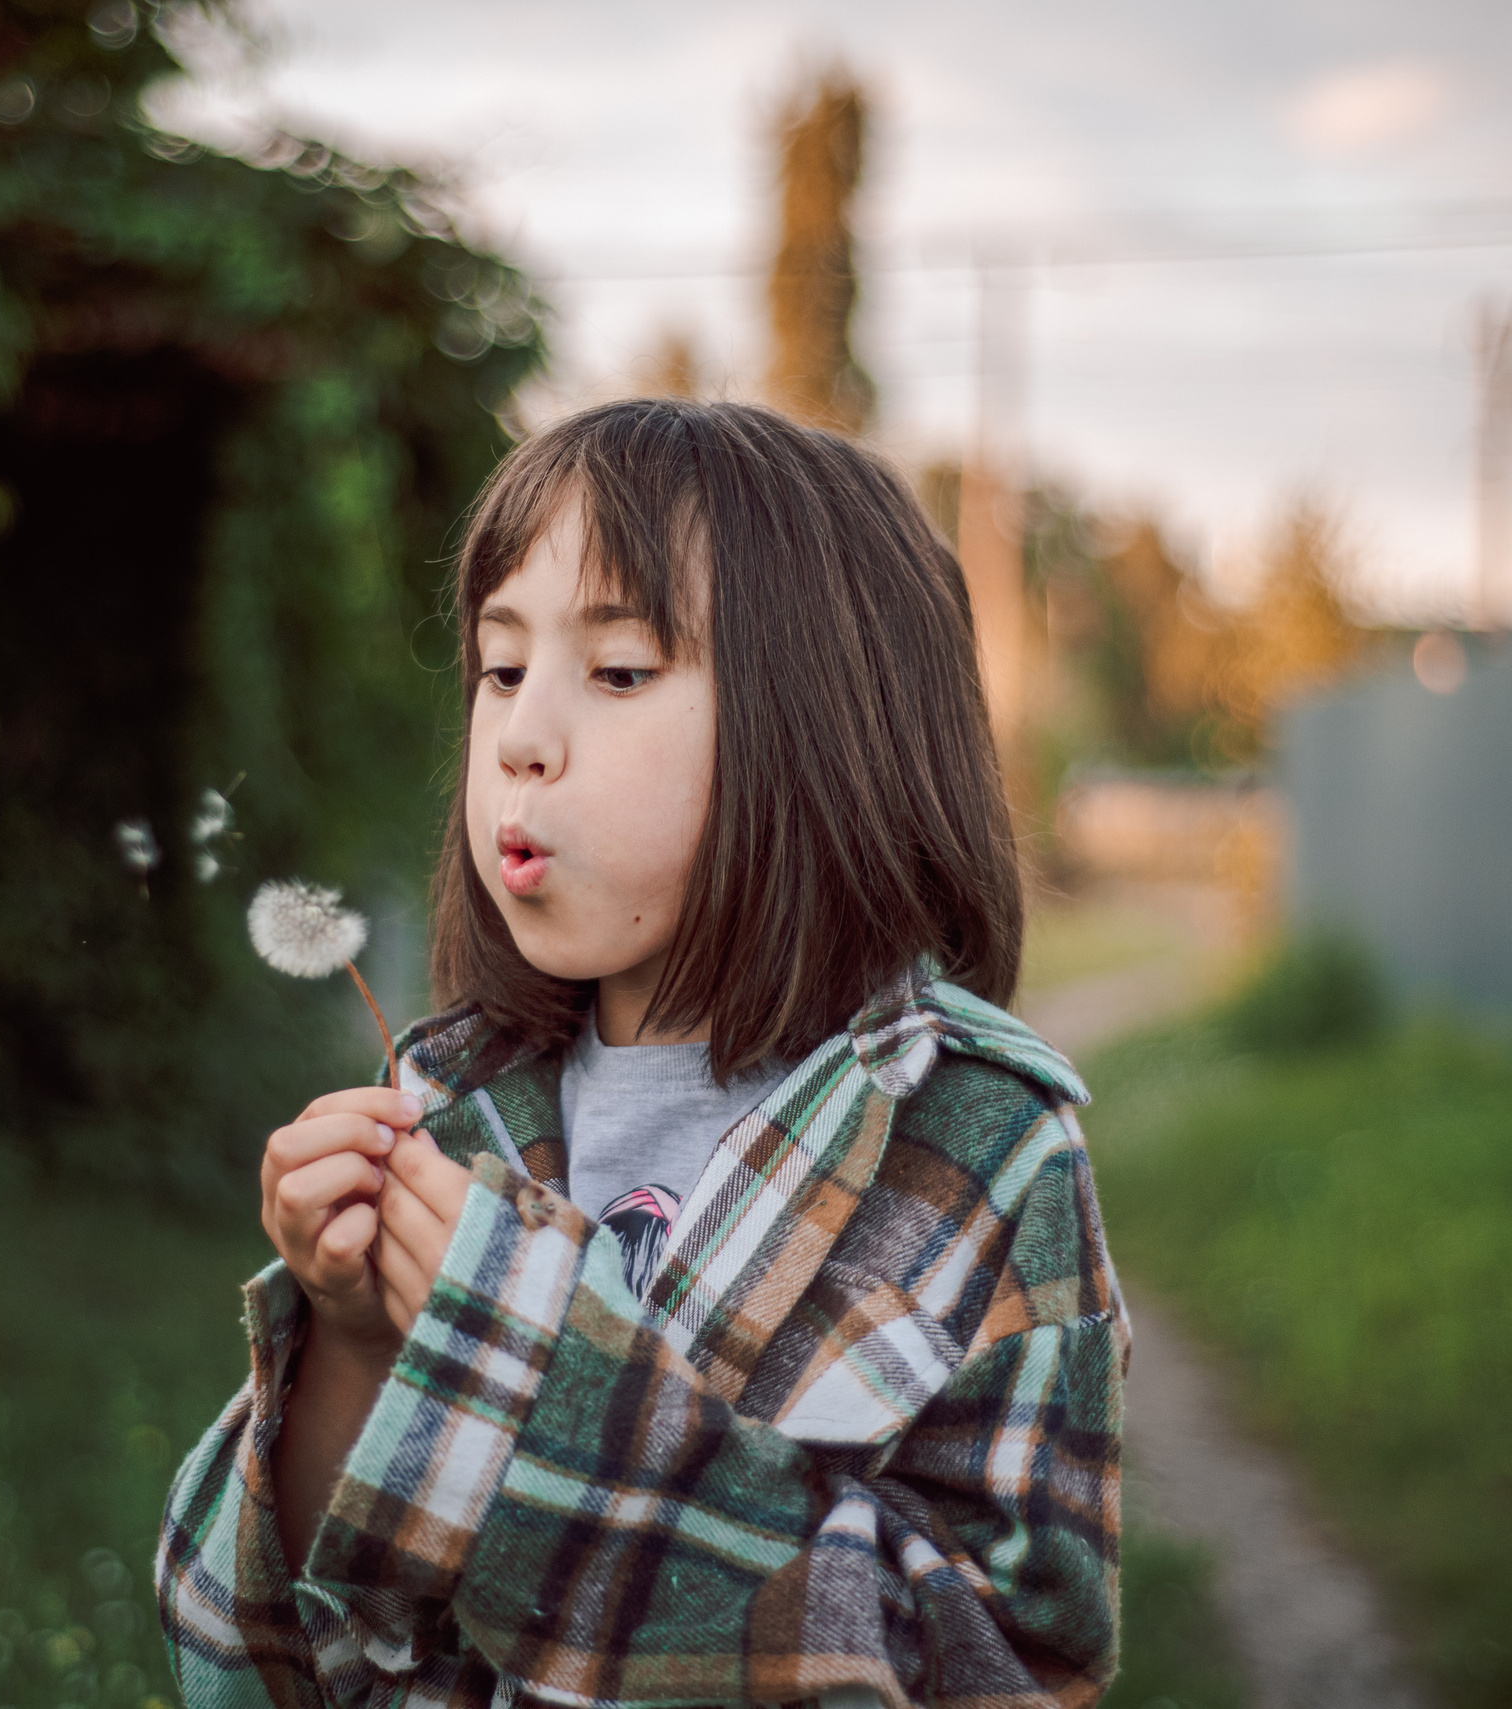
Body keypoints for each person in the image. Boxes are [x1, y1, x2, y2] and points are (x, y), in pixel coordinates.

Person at [157, 398, 1127, 1709]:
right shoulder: (452, 1113)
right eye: (501, 670)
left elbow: (1002, 1670)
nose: (518, 737)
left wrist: (527, 1356)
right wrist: (350, 1344)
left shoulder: (979, 1143)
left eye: (617, 672)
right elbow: (258, 1671)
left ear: (831, 729)